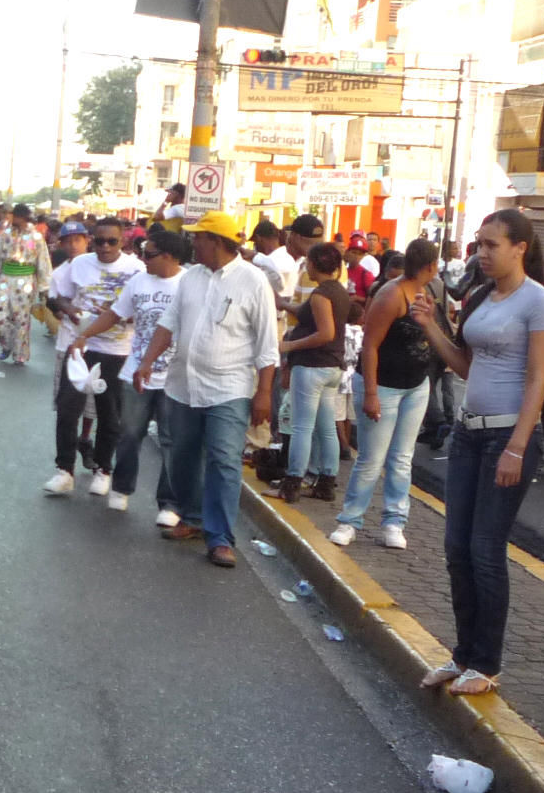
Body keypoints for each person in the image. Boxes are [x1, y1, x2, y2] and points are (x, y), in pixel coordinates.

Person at [407, 209, 544, 697]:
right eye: (479, 244)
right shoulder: (479, 297)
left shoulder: (540, 303)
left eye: (492, 244)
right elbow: (465, 368)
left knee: (485, 550)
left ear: (520, 247)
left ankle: (486, 664)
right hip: (469, 434)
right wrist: (431, 326)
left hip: (507, 437)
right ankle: (464, 654)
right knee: (456, 549)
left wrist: (516, 446)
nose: (482, 253)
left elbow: (537, 377)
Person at [131, 211, 278, 569]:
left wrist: (264, 394)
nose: (192, 243)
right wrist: (147, 361)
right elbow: (169, 323)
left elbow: (267, 343)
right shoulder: (190, 278)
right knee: (181, 456)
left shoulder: (253, 281)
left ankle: (220, 538)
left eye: (199, 237)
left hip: (230, 387)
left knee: (224, 460)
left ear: (216, 241)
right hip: (183, 385)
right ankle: (193, 518)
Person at [70, 226, 188, 521]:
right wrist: (85, 335)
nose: (143, 259)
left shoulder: (189, 283)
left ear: (170, 256)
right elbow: (114, 314)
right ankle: (121, 489)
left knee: (171, 440)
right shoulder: (139, 282)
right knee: (129, 434)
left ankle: (170, 504)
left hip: (176, 377)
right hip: (136, 372)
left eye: (149, 254)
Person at [330, 240, 441, 549]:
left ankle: (394, 521)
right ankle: (349, 520)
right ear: (431, 267)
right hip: (384, 387)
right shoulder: (392, 295)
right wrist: (371, 393)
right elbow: (370, 344)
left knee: (402, 458)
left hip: (415, 386)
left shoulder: (424, 294)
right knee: (372, 458)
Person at [48, 222, 145, 499]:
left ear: (122, 241)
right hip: (79, 344)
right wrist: (72, 310)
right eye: (99, 241)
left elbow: (145, 310)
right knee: (68, 408)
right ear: (92, 241)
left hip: (117, 349)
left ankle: (103, 469)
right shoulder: (78, 265)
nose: (104, 247)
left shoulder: (136, 269)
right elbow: (56, 298)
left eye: (111, 242)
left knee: (109, 414)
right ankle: (64, 470)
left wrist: (122, 316)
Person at [272, 241, 350, 504]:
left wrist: (290, 345)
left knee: (302, 427)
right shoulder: (338, 291)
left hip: (312, 365)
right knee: (326, 428)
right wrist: (285, 305)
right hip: (332, 367)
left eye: (308, 263)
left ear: (315, 264)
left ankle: (292, 482)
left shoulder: (320, 295)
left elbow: (325, 333)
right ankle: (326, 482)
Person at [0, 204, 53, 365]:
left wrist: (45, 287)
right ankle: (6, 345)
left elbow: (43, 262)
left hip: (26, 280)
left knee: (21, 319)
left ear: (23, 218)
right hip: (5, 278)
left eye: (15, 216)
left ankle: (20, 354)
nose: (12, 219)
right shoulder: (5, 235)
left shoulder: (36, 237)